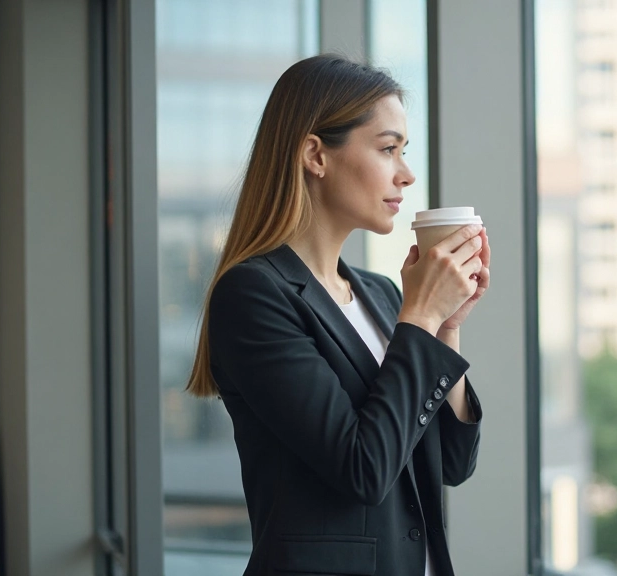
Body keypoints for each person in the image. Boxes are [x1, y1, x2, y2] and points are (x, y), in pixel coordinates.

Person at [185, 54, 491, 576]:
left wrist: (445, 327)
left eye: (404, 151)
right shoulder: (254, 294)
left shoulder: (381, 294)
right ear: (315, 155)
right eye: (388, 149)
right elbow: (364, 470)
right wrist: (419, 318)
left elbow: (453, 464)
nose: (407, 173)